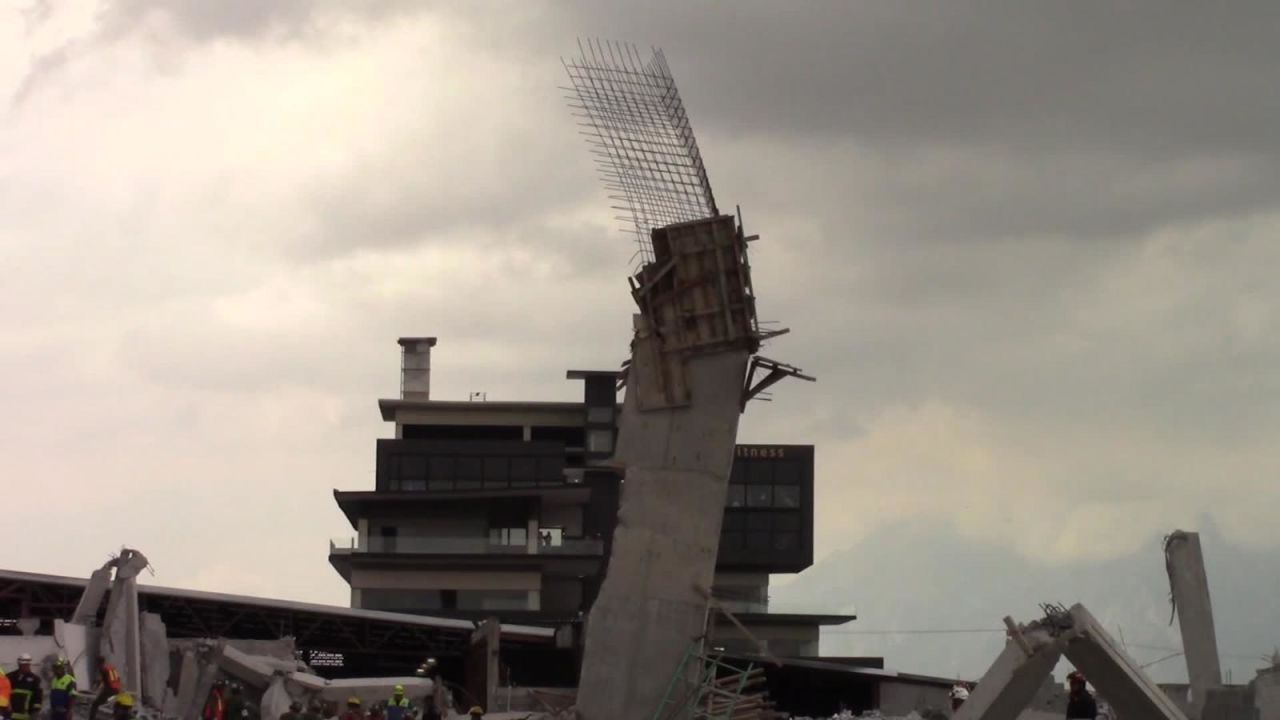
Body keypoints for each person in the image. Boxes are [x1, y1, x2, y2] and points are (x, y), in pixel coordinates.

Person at [7, 654, 41, 720]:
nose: (27, 667)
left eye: (28, 665)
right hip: (10, 715)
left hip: (26, 716)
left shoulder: (35, 679)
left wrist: (35, 713)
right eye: (24, 665)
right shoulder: (10, 677)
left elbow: (37, 697)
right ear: (19, 665)